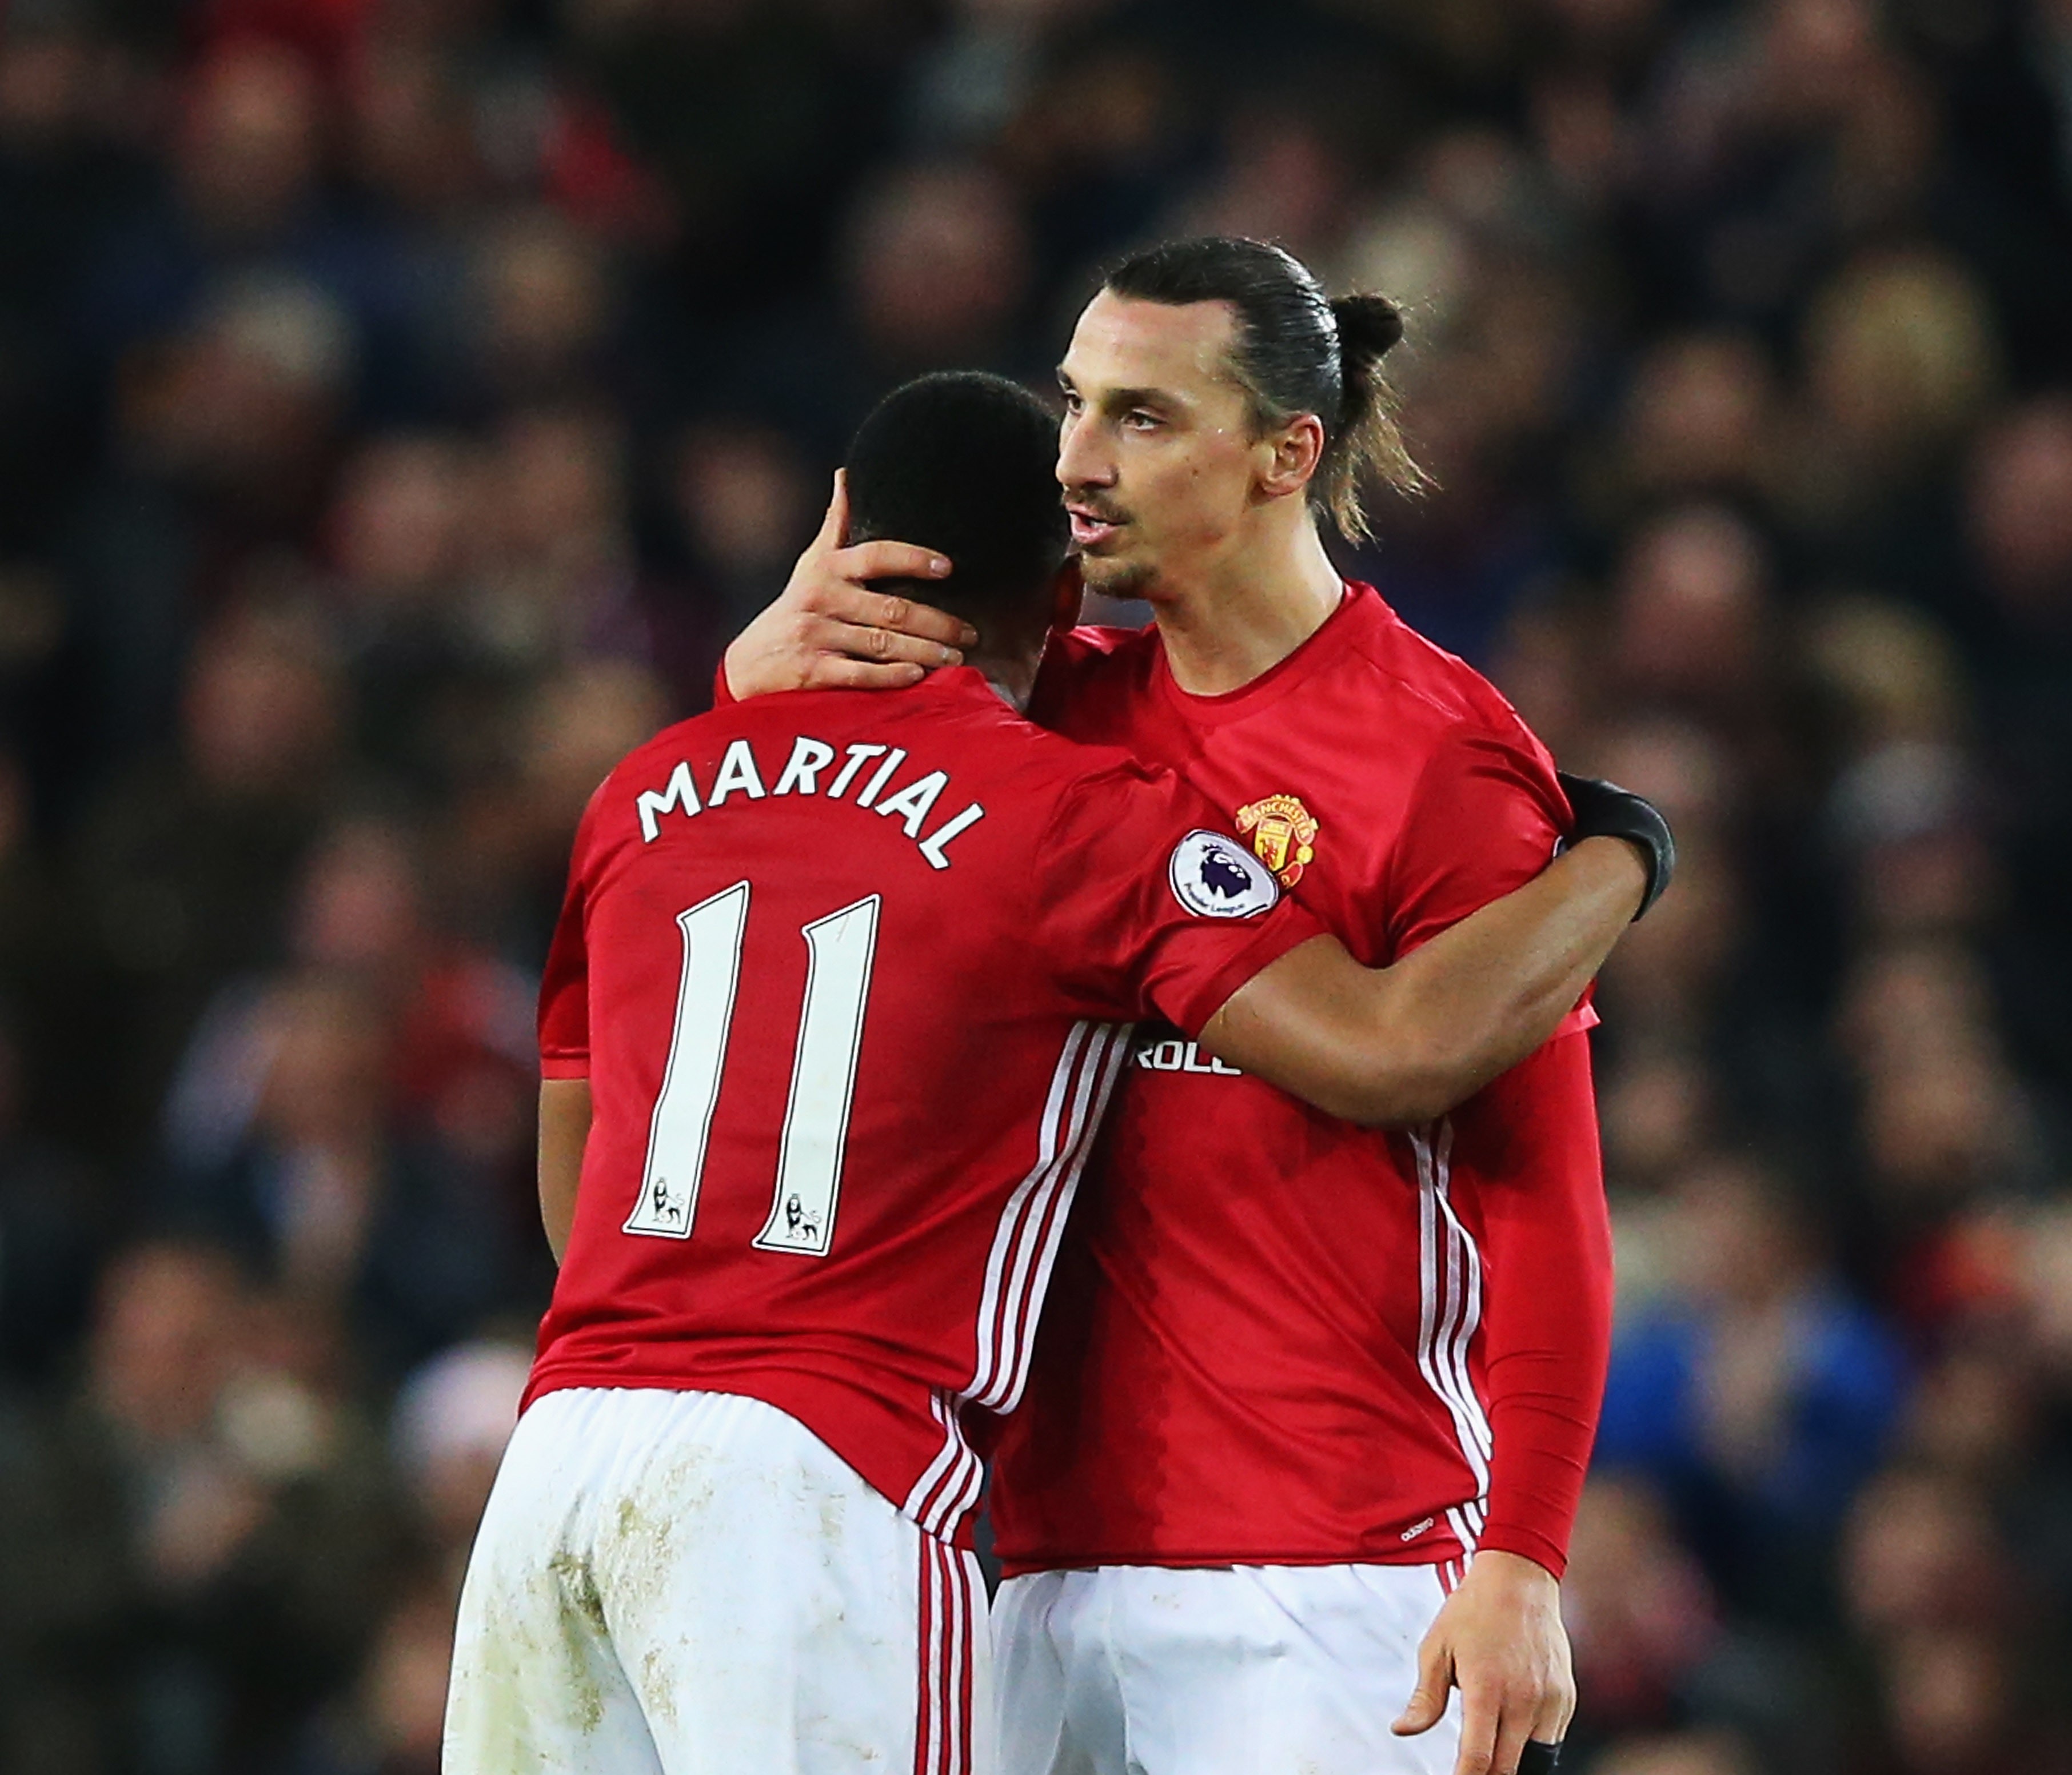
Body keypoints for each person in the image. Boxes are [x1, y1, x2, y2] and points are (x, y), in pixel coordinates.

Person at [445, 370, 1662, 1774]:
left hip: (559, 1462)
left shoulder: (638, 794)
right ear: (1065, 592)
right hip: (824, 1474)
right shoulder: (1075, 815)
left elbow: (570, 1196)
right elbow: (1398, 1051)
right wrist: (1620, 855)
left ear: (838, 530)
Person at [724, 238, 1628, 1775]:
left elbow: (1542, 1199)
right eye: (1074, 406)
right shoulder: (1043, 713)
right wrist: (754, 679)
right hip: (1032, 1573)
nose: (1075, 460)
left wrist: (1523, 1557)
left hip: (1332, 1580)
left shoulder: (1437, 758)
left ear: (1287, 453)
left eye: (1140, 419)